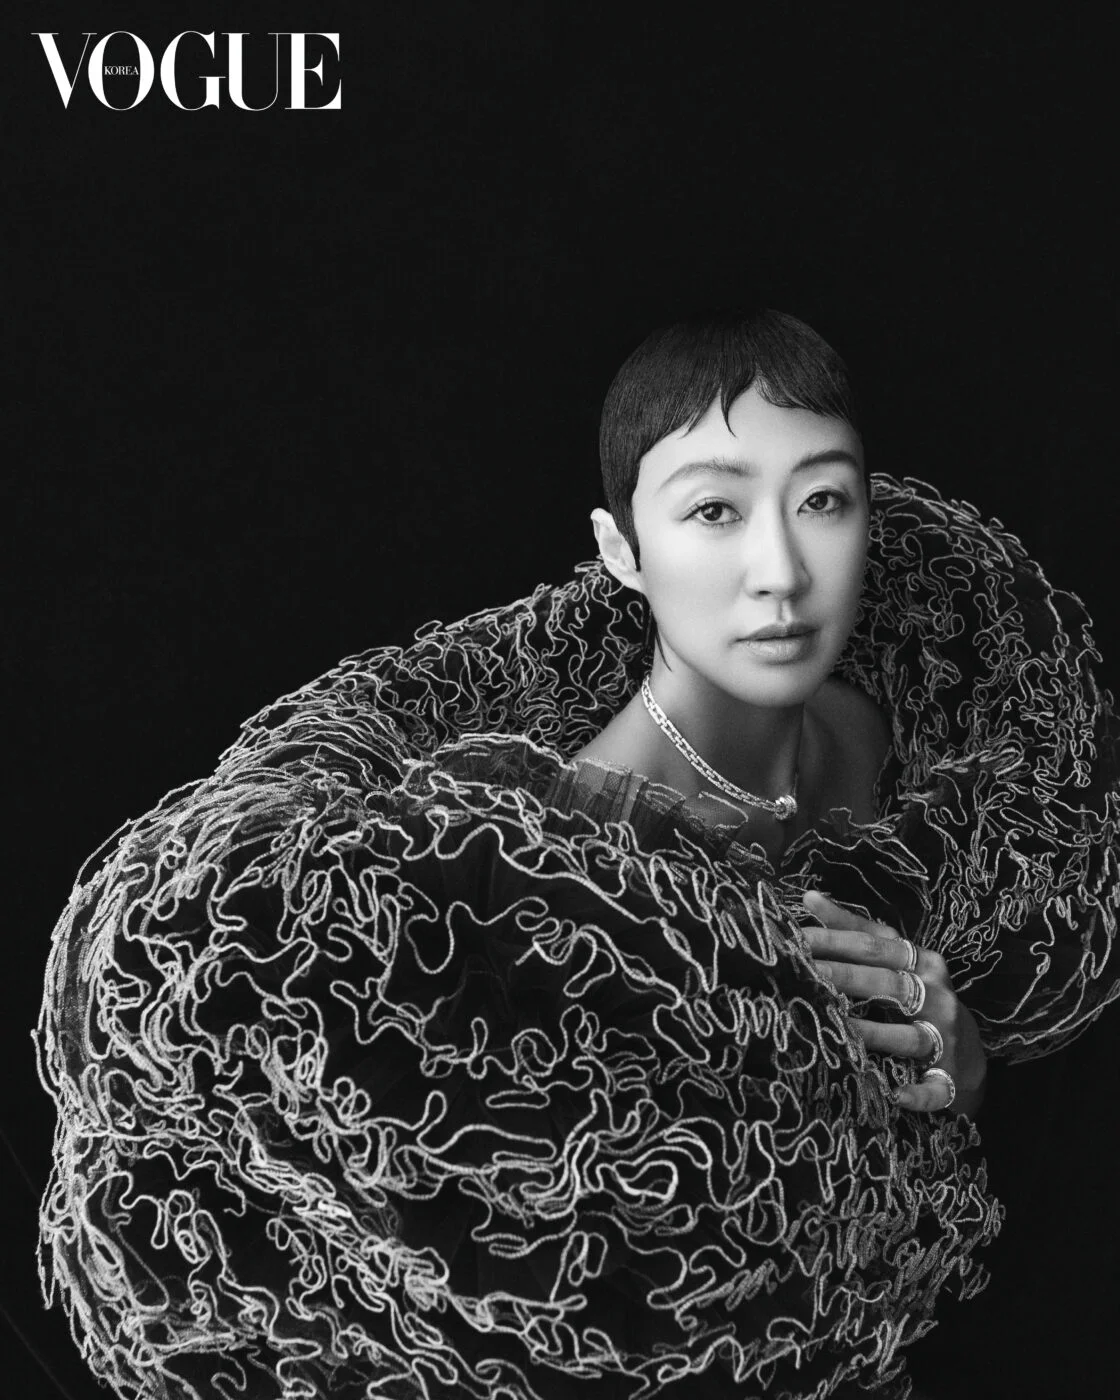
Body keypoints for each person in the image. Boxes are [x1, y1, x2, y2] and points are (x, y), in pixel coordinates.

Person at [35, 311, 1120, 1400]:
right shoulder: (574, 862)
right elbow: (616, 1267)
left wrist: (957, 1061)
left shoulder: (897, 731)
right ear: (621, 551)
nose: (781, 571)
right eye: (713, 510)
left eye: (821, 500)